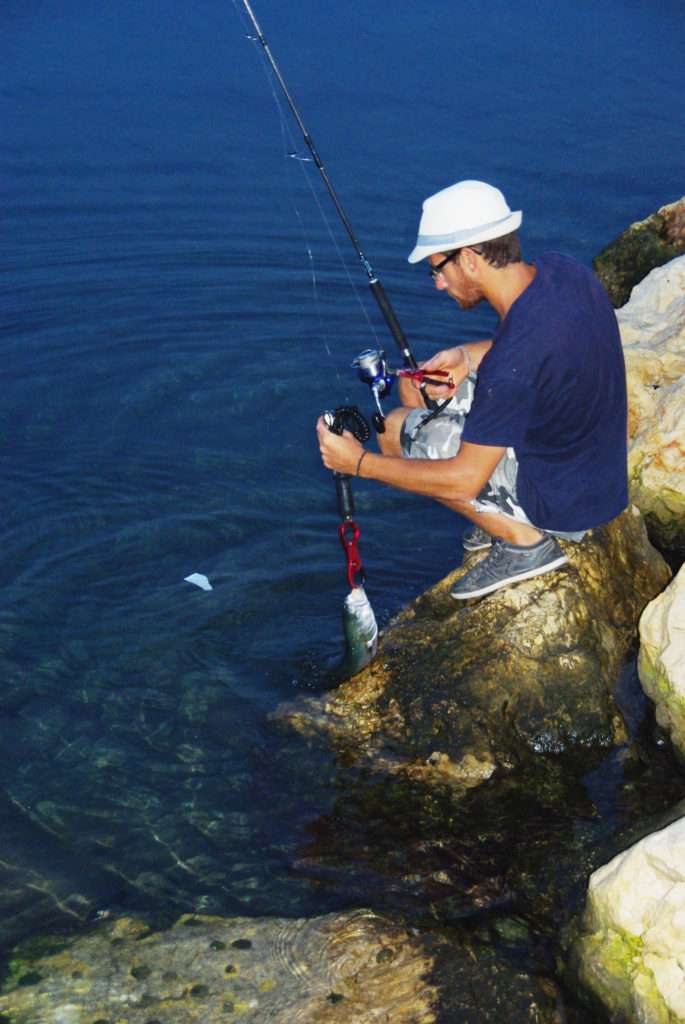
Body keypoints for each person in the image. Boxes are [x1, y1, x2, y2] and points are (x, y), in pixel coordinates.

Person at [316, 179, 628, 599]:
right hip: (597, 467)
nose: (437, 284)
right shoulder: (562, 270)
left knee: (393, 433)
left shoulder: (512, 366)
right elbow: (547, 343)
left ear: (468, 258)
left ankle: (523, 543)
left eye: (437, 268)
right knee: (419, 395)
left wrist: (357, 462)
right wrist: (466, 355)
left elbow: (463, 479)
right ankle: (496, 518)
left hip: (566, 503)